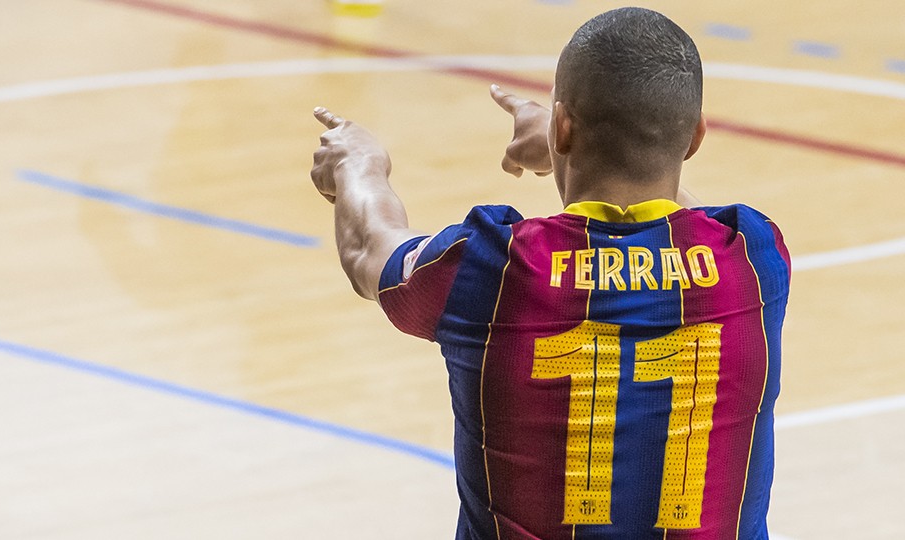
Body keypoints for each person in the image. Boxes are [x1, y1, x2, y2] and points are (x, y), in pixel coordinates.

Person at [309, 7, 790, 539]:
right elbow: (681, 216)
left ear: (562, 126)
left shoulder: (494, 269)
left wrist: (358, 165)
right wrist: (574, 145)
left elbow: (369, 253)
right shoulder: (753, 257)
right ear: (696, 137)